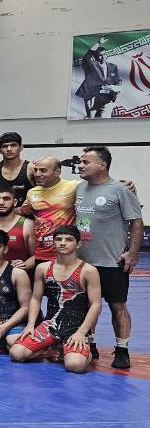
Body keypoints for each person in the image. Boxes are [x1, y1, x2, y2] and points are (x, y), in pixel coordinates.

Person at [75, 146, 143, 369]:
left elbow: (137, 222)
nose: (80, 166)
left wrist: (133, 253)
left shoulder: (120, 190)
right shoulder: (79, 188)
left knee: (117, 306)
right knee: (87, 305)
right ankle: (90, 343)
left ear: (102, 165)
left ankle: (122, 349)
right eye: (81, 161)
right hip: (84, 261)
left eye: (86, 162)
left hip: (112, 261)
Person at [9, 225, 102, 373]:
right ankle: (52, 347)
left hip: (76, 327)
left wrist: (82, 332)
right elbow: (36, 298)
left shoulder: (88, 271)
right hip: (50, 325)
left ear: (78, 244)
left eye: (69, 240)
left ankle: (86, 352)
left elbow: (96, 305)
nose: (63, 243)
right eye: (59, 239)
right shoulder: (43, 268)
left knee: (75, 365)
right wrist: (30, 325)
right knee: (16, 354)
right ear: (53, 243)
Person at [21, 157, 78, 263]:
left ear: (57, 172)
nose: (37, 174)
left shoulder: (73, 186)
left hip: (65, 252)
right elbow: (25, 211)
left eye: (43, 170)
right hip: (40, 251)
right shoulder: (32, 192)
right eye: (36, 170)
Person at [75, 43, 121, 119]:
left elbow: (118, 80)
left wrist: (115, 88)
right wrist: (99, 43)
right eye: (100, 55)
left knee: (104, 117)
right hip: (91, 94)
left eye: (104, 54)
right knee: (91, 118)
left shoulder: (113, 66)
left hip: (107, 95)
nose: (103, 57)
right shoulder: (90, 64)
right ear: (95, 56)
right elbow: (87, 56)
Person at [0, 132, 34, 208]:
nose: (9, 149)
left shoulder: (30, 168)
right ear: (0, 150)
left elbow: (42, 192)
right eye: (5, 146)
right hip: (1, 213)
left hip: (25, 214)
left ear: (21, 148)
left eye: (13, 145)